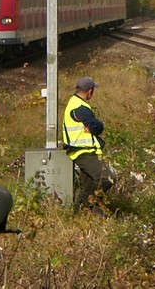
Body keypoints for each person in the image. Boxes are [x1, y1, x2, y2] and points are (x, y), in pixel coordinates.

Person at [62, 76, 114, 213]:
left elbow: (91, 126)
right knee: (107, 178)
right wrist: (98, 125)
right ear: (90, 91)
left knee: (89, 184)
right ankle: (85, 204)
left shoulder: (75, 104)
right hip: (83, 152)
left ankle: (81, 213)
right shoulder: (79, 107)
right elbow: (97, 127)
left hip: (83, 151)